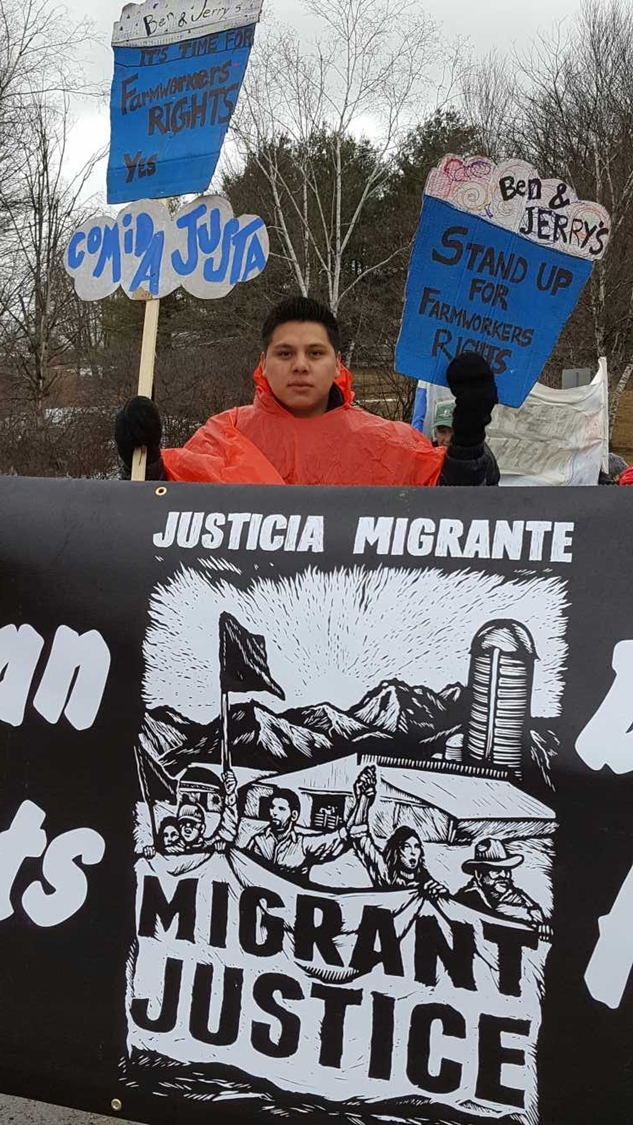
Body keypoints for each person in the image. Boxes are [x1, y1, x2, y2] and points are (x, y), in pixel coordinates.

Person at [115, 297, 498, 487]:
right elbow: (165, 516)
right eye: (285, 353)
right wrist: (143, 461)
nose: (300, 365)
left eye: (315, 353)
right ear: (263, 363)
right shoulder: (226, 434)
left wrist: (469, 440)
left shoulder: (386, 442)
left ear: (337, 363)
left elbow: (457, 507)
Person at [348, 766, 447, 899]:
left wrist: (440, 893)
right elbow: (359, 835)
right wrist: (364, 800)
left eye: (416, 847)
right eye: (406, 847)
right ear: (396, 850)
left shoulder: (424, 878)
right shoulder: (385, 870)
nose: (413, 852)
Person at [455, 837, 552, 941]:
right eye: (496, 870)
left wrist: (543, 927)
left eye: (507, 870)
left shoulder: (519, 897)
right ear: (479, 874)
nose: (504, 875)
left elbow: (538, 918)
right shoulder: (466, 897)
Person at [246, 788, 351, 878]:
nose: (274, 812)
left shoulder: (302, 844)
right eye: (272, 807)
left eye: (281, 809)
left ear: (294, 815)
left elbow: (332, 840)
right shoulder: (257, 841)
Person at [432, 399, 500, 486]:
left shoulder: (479, 457)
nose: (447, 439)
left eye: (453, 431)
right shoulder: (428, 452)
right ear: (435, 432)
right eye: (442, 432)